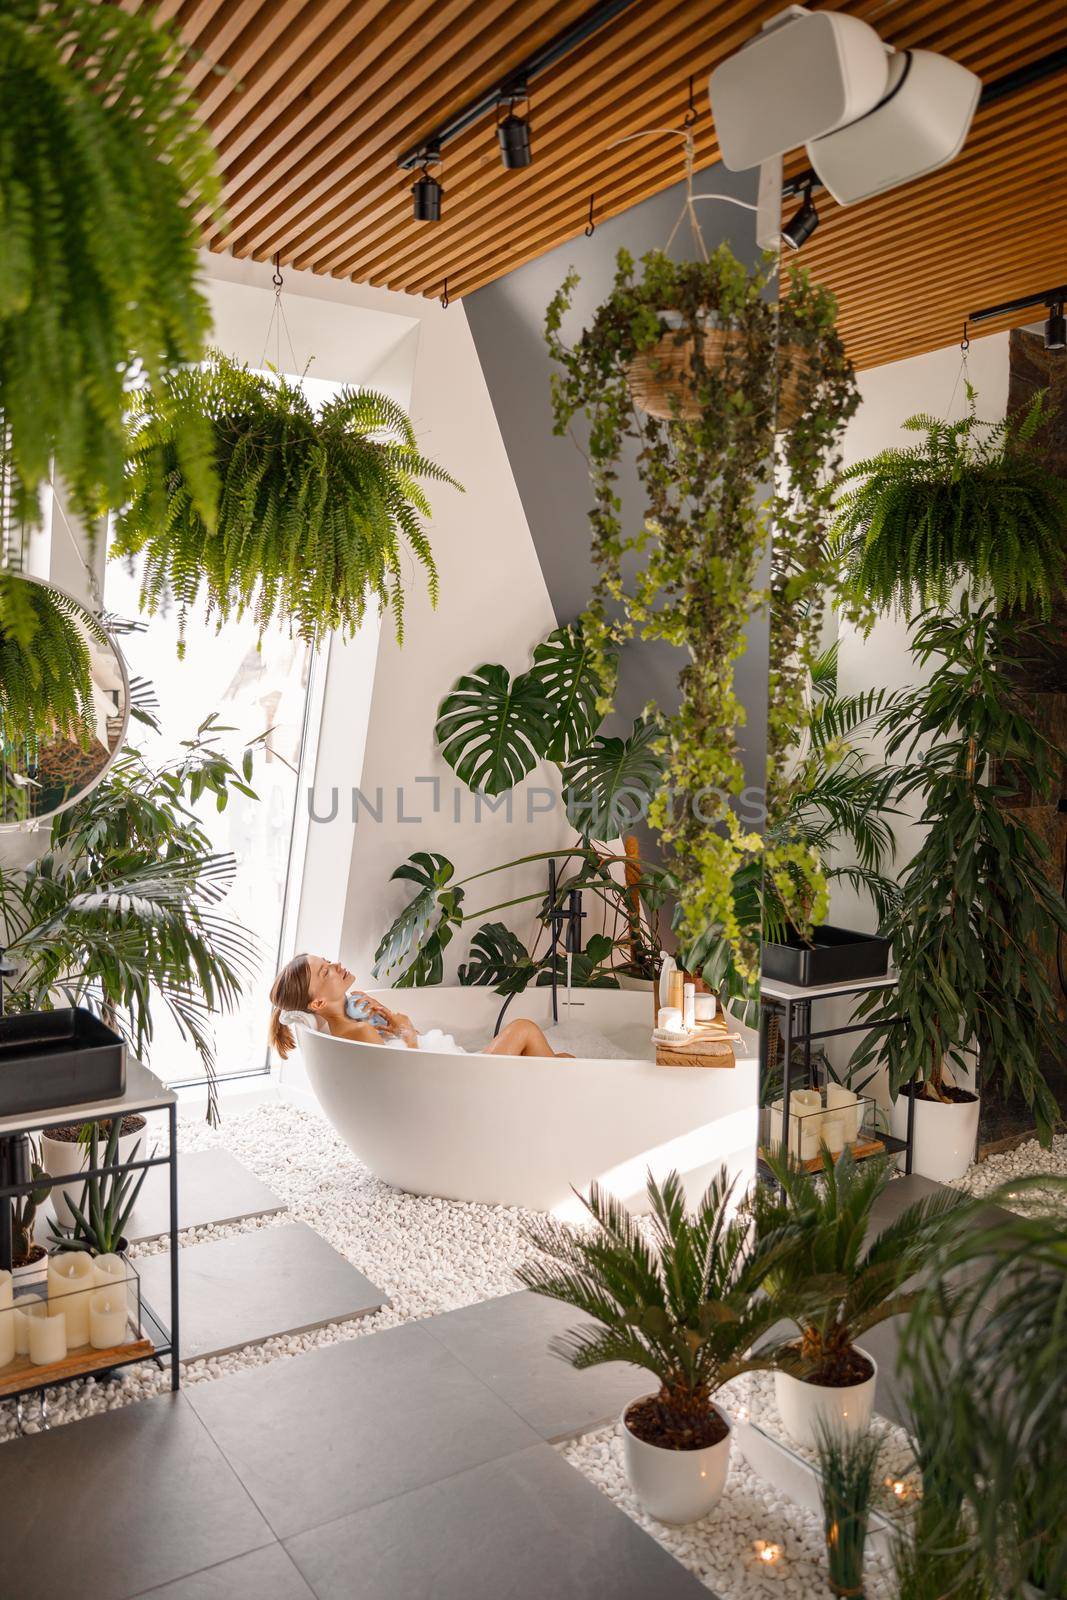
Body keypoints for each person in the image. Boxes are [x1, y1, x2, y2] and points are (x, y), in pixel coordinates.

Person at [268, 954, 572, 1060]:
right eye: (325, 972)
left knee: (561, 1059)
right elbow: (408, 1072)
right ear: (318, 1002)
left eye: (327, 961)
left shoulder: (352, 1016)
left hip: (451, 1064)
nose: (335, 965)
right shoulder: (358, 1031)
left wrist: (388, 1015)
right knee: (524, 1029)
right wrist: (408, 1030)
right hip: (460, 1078)